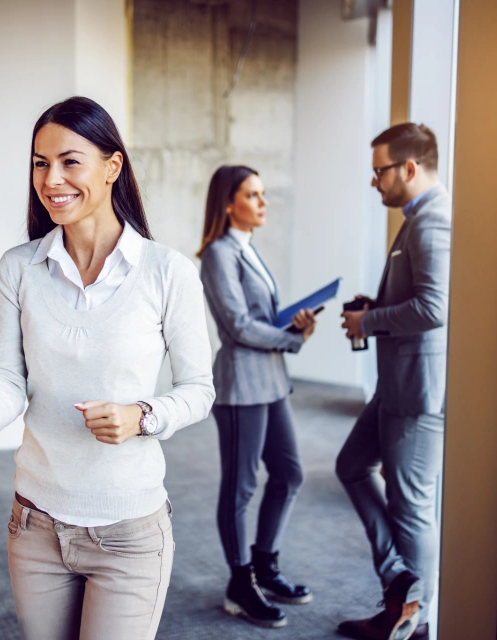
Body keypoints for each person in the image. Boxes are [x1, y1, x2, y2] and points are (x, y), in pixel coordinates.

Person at [0, 96, 214, 640]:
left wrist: (141, 416)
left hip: (129, 531)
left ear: (112, 166)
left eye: (71, 161)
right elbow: (7, 377)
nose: (52, 179)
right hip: (35, 524)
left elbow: (198, 389)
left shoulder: (167, 273)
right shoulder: (19, 268)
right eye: (40, 163)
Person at [335, 123, 451, 640]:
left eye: (380, 170)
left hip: (417, 391)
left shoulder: (432, 222)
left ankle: (415, 621)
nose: (373, 181)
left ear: (409, 168)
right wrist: (376, 308)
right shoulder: (416, 219)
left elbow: (435, 307)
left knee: (411, 506)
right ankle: (400, 585)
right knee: (353, 466)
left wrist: (370, 322)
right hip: (397, 384)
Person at [197, 165, 318, 629]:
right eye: (253, 194)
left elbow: (260, 317)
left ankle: (265, 566)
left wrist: (295, 327)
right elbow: (239, 327)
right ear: (229, 203)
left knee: (289, 473)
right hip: (241, 387)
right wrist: (290, 339)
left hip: (270, 380)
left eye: (263, 194)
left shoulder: (248, 250)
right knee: (241, 486)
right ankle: (239, 581)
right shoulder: (217, 254)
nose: (263, 202)